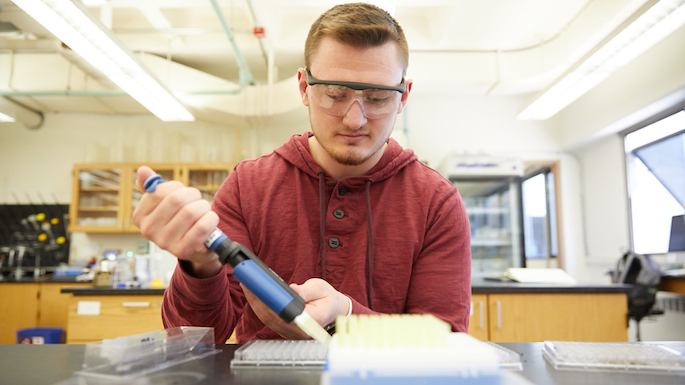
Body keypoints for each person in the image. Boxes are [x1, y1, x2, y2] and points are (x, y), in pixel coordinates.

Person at [132, 2, 471, 344]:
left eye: (378, 97)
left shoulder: (436, 202)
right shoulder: (248, 186)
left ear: (403, 97)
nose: (355, 119)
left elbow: (447, 340)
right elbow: (196, 338)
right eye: (335, 94)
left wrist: (347, 316)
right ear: (303, 88)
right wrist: (199, 264)